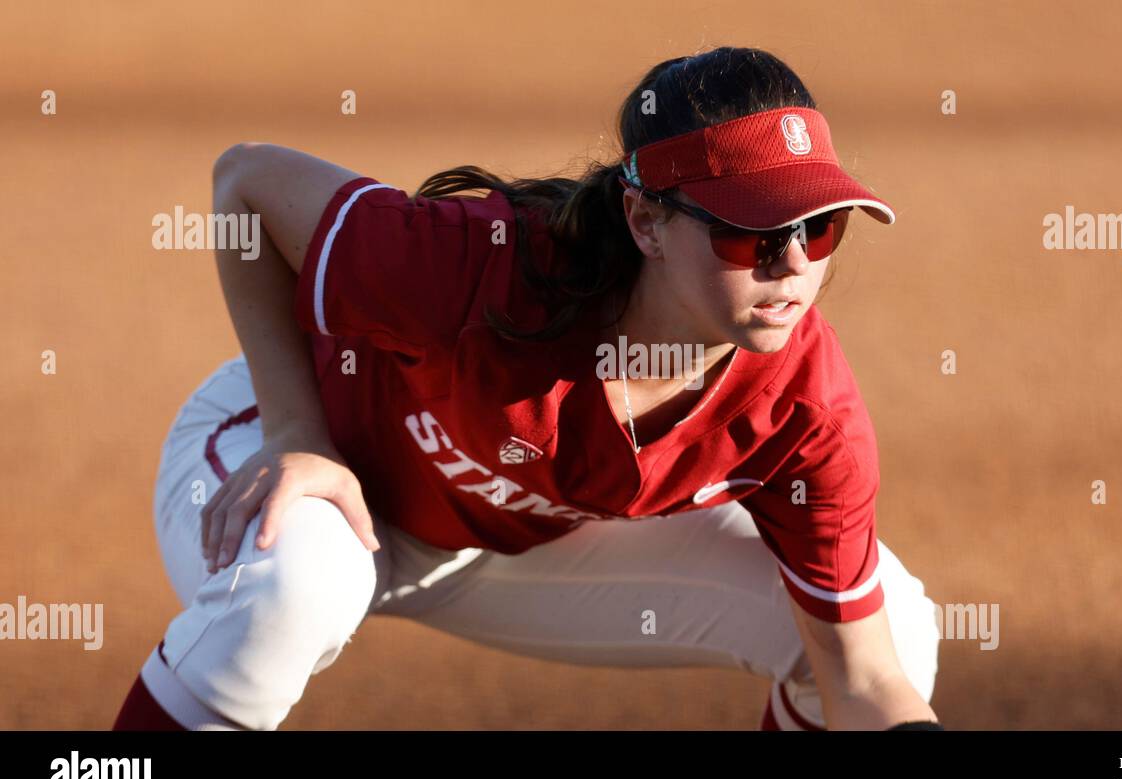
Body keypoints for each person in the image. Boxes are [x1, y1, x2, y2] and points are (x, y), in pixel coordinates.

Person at [112, 46, 943, 731]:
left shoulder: (804, 409)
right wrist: (299, 429)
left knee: (896, 632)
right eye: (748, 230)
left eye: (818, 224)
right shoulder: (483, 268)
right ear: (646, 220)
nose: (794, 262)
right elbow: (244, 184)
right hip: (298, 464)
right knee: (300, 584)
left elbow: (863, 680)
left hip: (505, 540)